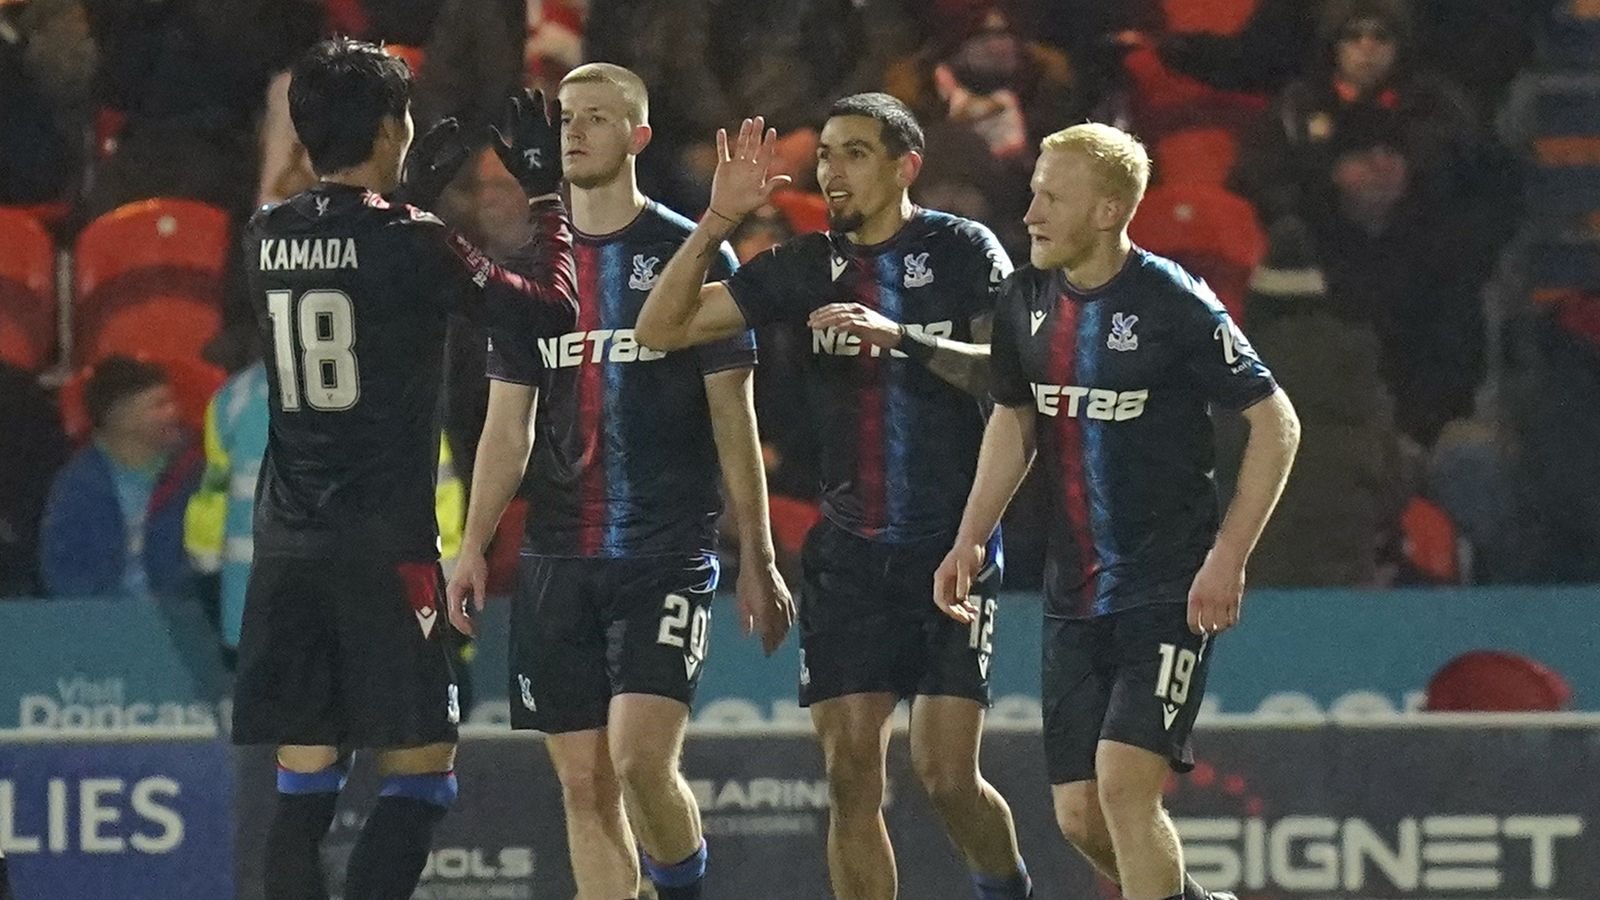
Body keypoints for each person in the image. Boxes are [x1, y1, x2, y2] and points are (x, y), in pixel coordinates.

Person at [638, 93, 1031, 900]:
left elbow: (1012, 375)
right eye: (825, 155)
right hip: (850, 554)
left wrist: (902, 339)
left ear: (905, 165)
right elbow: (660, 330)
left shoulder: (962, 249)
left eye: (855, 152)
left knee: (947, 777)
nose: (833, 170)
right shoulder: (803, 264)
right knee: (850, 774)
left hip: (950, 549)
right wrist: (715, 222)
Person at [230, 38, 578, 900]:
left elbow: (350, 273)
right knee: (423, 777)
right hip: (384, 549)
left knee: (305, 784)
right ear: (391, 128)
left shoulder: (265, 233)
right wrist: (546, 199)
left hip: (287, 548)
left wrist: (406, 198)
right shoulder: (413, 239)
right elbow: (548, 310)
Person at [445, 62, 793, 900]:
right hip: (558, 553)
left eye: (598, 117)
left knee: (639, 761)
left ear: (638, 136)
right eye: (567, 116)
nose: (574, 130)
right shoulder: (530, 267)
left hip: (663, 549)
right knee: (582, 783)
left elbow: (732, 413)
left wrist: (758, 554)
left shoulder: (686, 249)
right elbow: (507, 426)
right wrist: (472, 545)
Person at [934, 123, 1301, 900]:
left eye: (1051, 198)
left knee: (1125, 787)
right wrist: (971, 536)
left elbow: (1276, 423)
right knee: (1079, 817)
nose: (1030, 213)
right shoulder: (1024, 297)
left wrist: (1227, 557)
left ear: (1107, 212)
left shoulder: (1171, 301)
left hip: (1166, 587)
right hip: (1074, 592)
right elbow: (1014, 415)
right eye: (1033, 192)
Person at [183, 357, 466, 665]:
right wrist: (445, 603)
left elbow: (211, 509)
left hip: (261, 622)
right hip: (372, 624)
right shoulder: (394, 389)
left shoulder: (235, 398)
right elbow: (436, 502)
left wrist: (214, 589)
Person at [39, 356, 200, 598]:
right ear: (121, 417)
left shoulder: (193, 474)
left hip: (179, 614)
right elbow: (65, 570)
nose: (174, 413)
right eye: (159, 405)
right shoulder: (79, 485)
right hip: (100, 615)